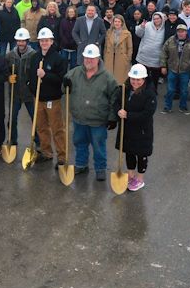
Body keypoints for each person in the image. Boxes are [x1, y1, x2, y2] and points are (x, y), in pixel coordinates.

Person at [63, 44, 119, 181]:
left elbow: (115, 99)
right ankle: (81, 164)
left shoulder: (108, 78)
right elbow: (65, 89)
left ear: (98, 59)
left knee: (98, 145)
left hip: (98, 120)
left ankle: (100, 168)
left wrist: (113, 118)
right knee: (79, 142)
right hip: (79, 118)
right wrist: (64, 85)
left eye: (92, 58)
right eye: (86, 58)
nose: (88, 61)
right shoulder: (74, 73)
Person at [27, 28, 68, 165]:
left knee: (57, 128)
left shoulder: (58, 59)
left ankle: (61, 156)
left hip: (52, 100)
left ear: (51, 41)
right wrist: (32, 89)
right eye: (42, 40)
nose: (44, 42)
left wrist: (46, 75)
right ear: (39, 41)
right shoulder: (34, 57)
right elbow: (31, 76)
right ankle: (46, 152)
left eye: (47, 40)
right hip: (38, 99)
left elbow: (61, 79)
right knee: (41, 127)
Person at [116, 64, 157, 192]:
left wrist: (128, 115)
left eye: (138, 79)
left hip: (142, 131)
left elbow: (147, 113)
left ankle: (139, 179)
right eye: (133, 78)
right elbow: (117, 102)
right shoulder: (124, 89)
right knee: (129, 152)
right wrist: (118, 111)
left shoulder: (149, 94)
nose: (135, 82)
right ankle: (130, 174)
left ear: (144, 79)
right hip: (128, 129)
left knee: (141, 154)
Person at [160, 24, 190, 113]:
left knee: (184, 91)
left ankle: (183, 107)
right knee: (170, 90)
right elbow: (163, 53)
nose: (180, 33)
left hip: (185, 70)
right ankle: (167, 107)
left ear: (186, 32)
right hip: (172, 69)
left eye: (183, 31)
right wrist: (163, 66)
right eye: (179, 31)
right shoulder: (170, 40)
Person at [6, 28, 37, 148]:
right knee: (12, 119)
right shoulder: (10, 56)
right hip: (15, 93)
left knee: (35, 120)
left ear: (27, 41)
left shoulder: (33, 55)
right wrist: (8, 77)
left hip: (29, 93)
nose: (21, 43)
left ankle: (39, 142)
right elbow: (5, 71)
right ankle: (12, 140)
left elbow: (35, 74)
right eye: (19, 41)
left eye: (23, 41)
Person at [135, 12, 166, 83]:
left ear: (161, 19)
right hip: (143, 57)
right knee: (142, 79)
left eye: (158, 19)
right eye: (154, 19)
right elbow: (138, 34)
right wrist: (141, 27)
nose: (156, 20)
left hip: (156, 60)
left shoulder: (165, 28)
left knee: (154, 80)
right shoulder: (147, 25)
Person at [102, 14, 132, 84]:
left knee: (120, 80)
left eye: (119, 22)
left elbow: (130, 48)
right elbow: (106, 46)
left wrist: (128, 59)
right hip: (110, 57)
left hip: (121, 58)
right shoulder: (109, 32)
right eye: (115, 21)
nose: (117, 23)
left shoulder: (127, 34)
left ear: (122, 23)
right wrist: (105, 57)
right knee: (109, 78)